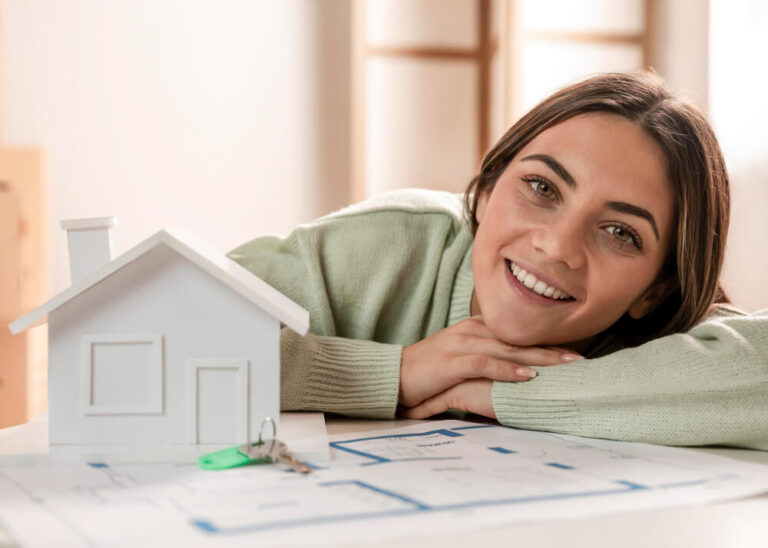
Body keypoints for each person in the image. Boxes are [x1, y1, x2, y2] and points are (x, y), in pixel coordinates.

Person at [228, 71, 768, 451]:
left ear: (655, 290)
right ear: (486, 193)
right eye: (541, 186)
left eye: (620, 232)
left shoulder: (665, 328)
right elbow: (160, 325)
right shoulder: (390, 243)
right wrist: (398, 373)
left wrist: (514, 393)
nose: (556, 246)